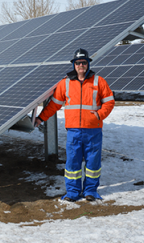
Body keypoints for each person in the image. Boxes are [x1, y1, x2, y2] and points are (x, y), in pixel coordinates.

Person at [34, 48, 115, 202]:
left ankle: (90, 191)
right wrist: (40, 118)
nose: (81, 65)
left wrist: (99, 114)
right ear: (74, 65)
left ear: (88, 64)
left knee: (93, 163)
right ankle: (72, 192)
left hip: (93, 130)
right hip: (74, 131)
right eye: (78, 63)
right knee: (73, 163)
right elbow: (54, 105)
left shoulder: (99, 81)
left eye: (84, 62)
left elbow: (109, 101)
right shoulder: (65, 83)